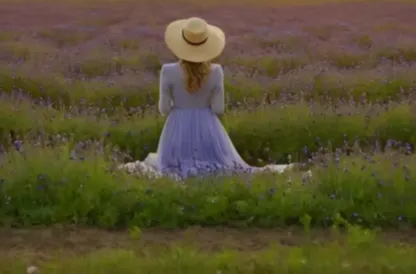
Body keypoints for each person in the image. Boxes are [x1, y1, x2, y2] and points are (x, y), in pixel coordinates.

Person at [121, 17, 293, 179]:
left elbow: (164, 109)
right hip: (208, 128)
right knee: (224, 168)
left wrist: (181, 104)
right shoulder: (217, 71)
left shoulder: (168, 70)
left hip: (177, 126)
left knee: (169, 167)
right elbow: (218, 109)